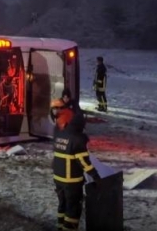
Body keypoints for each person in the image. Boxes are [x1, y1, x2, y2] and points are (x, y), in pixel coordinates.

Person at [51, 99, 99, 231]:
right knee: (73, 209)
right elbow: (83, 162)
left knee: (62, 206)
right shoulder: (77, 139)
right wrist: (95, 176)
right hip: (71, 181)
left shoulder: (59, 134)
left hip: (58, 178)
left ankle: (60, 227)